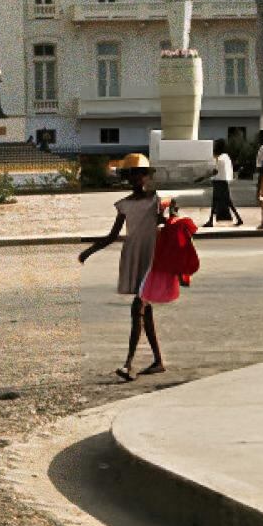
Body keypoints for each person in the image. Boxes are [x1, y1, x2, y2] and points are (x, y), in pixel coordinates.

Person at [77, 161, 166, 381]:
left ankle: (128, 364)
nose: (136, 179)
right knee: (145, 310)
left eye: (140, 174)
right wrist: (89, 251)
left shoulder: (157, 201)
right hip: (133, 256)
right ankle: (158, 361)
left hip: (151, 258)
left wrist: (169, 214)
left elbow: (168, 224)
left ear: (147, 176)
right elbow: (112, 235)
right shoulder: (124, 205)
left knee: (138, 308)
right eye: (132, 175)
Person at [206, 141, 243, 227]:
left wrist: (204, 176)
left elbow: (215, 171)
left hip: (219, 182)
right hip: (224, 182)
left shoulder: (220, 159)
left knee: (216, 201)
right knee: (227, 201)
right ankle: (238, 218)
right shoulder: (226, 157)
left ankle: (210, 221)